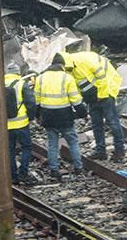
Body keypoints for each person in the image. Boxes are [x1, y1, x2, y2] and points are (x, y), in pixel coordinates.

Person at [59, 50, 125, 162]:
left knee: (112, 121)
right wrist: (83, 103)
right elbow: (77, 88)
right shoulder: (68, 69)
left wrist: (102, 95)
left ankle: (119, 150)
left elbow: (102, 76)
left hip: (106, 89)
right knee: (96, 123)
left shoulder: (84, 60)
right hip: (93, 96)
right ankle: (100, 151)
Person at [34, 53, 87, 181]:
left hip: (48, 116)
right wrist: (83, 113)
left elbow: (37, 100)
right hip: (64, 116)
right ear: (62, 65)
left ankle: (54, 170)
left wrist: (37, 115)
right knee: (72, 142)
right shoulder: (67, 78)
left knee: (52, 144)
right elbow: (75, 99)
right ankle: (78, 167)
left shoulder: (40, 78)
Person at [3, 64, 34, 185]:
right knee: (26, 147)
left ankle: (13, 176)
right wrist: (31, 117)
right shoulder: (22, 83)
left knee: (10, 149)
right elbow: (30, 102)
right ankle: (23, 173)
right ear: (18, 72)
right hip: (21, 123)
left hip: (6, 124)